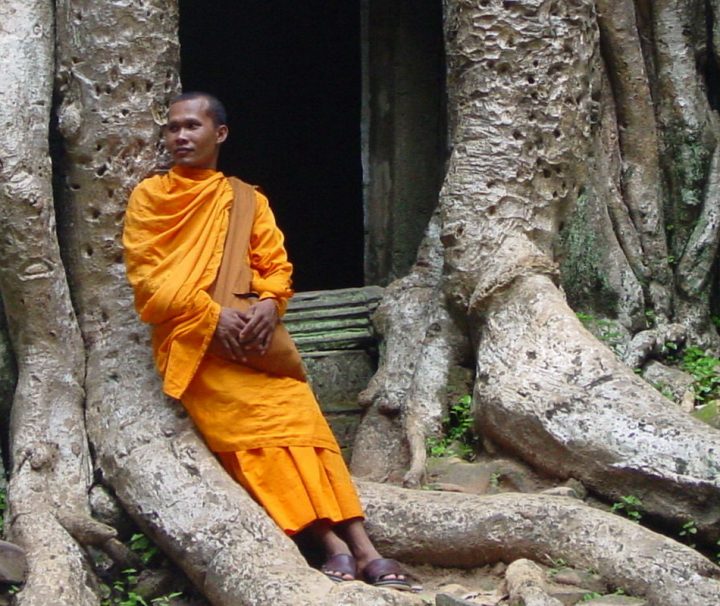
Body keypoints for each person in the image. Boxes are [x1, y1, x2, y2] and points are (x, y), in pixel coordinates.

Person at [122, 91, 411, 590]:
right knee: (259, 440)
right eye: (172, 128)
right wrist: (209, 314)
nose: (180, 137)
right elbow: (148, 282)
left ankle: (363, 544)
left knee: (303, 423)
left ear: (220, 134)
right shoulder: (150, 199)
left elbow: (275, 268)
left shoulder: (245, 199)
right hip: (197, 347)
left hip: (253, 344)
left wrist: (267, 304)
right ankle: (332, 544)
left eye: (192, 126)